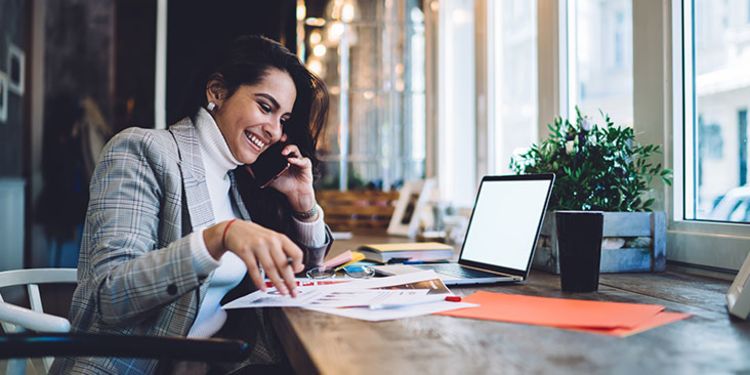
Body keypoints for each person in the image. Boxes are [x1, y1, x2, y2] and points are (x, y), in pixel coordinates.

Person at [51, 35, 332, 374]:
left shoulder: (237, 181)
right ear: (216, 91)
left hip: (215, 363)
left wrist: (304, 204)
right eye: (265, 107)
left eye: (283, 120)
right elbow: (110, 296)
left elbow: (305, 272)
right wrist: (217, 237)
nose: (274, 130)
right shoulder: (142, 151)